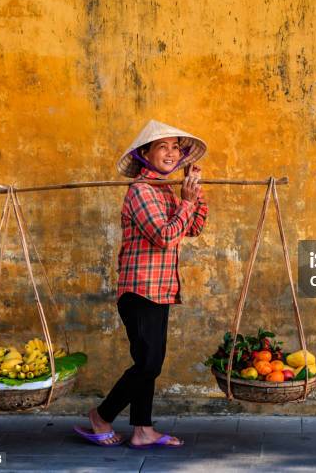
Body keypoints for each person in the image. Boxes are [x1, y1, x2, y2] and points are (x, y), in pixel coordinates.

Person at [74, 120, 208, 448]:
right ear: (145, 154)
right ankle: (101, 416)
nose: (172, 152)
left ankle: (142, 430)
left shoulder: (165, 190)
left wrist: (195, 194)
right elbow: (165, 237)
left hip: (160, 288)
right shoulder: (140, 191)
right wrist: (186, 203)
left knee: (149, 363)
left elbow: (193, 229)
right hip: (139, 288)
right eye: (163, 146)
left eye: (176, 146)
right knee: (148, 363)